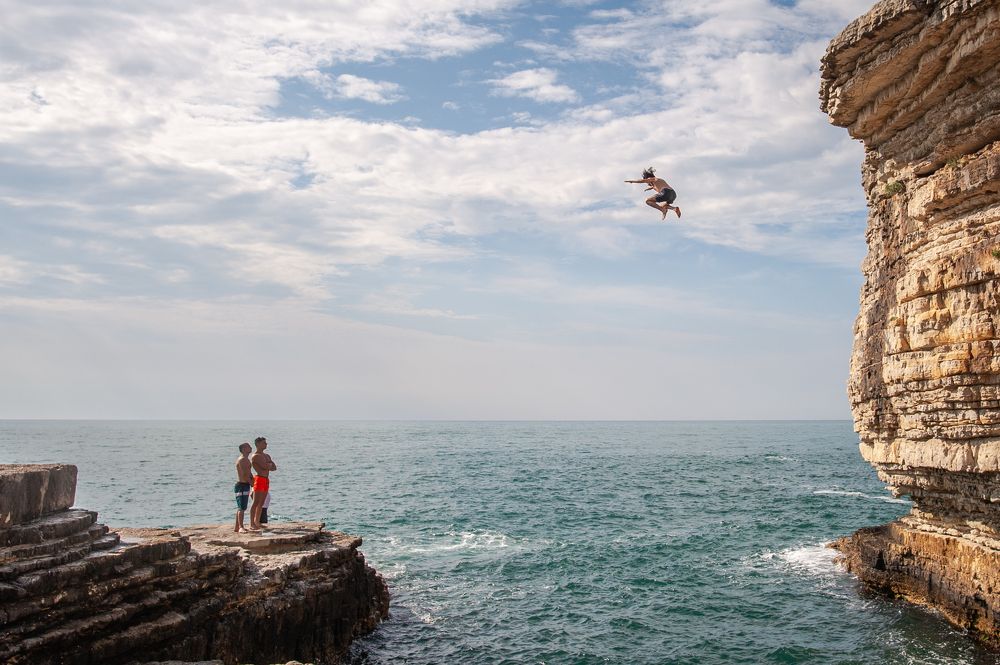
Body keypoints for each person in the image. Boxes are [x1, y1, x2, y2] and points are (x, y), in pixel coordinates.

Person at [248, 436, 276, 531]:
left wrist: (268, 465)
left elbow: (274, 467)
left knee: (262, 503)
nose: (266, 444)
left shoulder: (266, 455)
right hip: (259, 479)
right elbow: (264, 466)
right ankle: (252, 523)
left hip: (266, 479)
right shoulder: (255, 456)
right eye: (264, 443)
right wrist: (268, 465)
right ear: (258, 444)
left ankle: (257, 522)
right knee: (256, 502)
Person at [234, 442, 253, 533]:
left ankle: (237, 526)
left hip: (245, 484)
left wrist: (252, 481)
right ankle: (241, 526)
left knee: (242, 506)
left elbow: (249, 472)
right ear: (244, 449)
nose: (251, 447)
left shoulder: (246, 459)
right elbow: (245, 474)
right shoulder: (242, 460)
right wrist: (252, 484)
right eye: (248, 446)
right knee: (242, 506)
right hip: (242, 485)